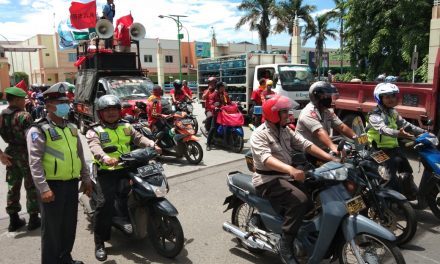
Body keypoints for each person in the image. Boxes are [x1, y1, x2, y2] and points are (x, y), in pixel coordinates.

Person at [251, 95, 339, 264]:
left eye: (287, 110)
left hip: (285, 175)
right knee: (299, 200)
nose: (288, 114)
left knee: (317, 189)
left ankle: (304, 233)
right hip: (267, 179)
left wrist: (330, 157)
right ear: (273, 113)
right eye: (284, 111)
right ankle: (286, 243)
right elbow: (266, 159)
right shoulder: (259, 134)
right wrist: (291, 169)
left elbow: (306, 144)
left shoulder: (285, 130)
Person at [86, 95, 161, 261]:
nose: (111, 113)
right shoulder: (94, 130)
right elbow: (95, 147)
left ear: (119, 111)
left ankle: (137, 218)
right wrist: (105, 158)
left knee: (148, 186)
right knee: (104, 204)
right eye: (107, 110)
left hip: (127, 165)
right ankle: (99, 243)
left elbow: (138, 138)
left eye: (114, 109)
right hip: (108, 169)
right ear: (100, 113)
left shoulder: (126, 126)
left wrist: (151, 144)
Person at [27, 83, 92, 264]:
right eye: (59, 101)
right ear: (48, 105)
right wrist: (43, 188)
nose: (64, 105)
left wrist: (86, 179)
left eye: (65, 101)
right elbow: (35, 162)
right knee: (52, 230)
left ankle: (65, 258)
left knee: (68, 226)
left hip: (71, 184)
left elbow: (80, 155)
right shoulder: (38, 129)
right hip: (51, 186)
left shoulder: (71, 128)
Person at [366, 83, 426, 200]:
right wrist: (399, 133)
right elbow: (383, 129)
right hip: (377, 150)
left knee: (407, 169)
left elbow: (405, 125)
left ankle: (405, 192)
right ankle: (383, 202)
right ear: (380, 98)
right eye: (387, 97)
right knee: (389, 176)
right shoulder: (374, 114)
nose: (391, 99)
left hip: (392, 148)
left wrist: (424, 132)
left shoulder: (392, 112)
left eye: (393, 96)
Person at [0, 87, 40, 232]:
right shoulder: (24, 116)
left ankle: (13, 220)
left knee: (13, 185)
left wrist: (1, 155)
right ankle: (34, 219)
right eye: (23, 99)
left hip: (10, 152)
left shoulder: (2, 115)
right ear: (17, 100)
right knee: (31, 185)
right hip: (26, 153)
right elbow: (32, 138)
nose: (25, 101)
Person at [296, 81, 356, 157]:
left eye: (330, 96)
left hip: (321, 148)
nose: (329, 99)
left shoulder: (327, 111)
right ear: (317, 97)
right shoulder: (308, 112)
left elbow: (341, 126)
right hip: (307, 152)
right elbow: (319, 131)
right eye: (326, 96)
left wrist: (358, 138)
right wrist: (333, 147)